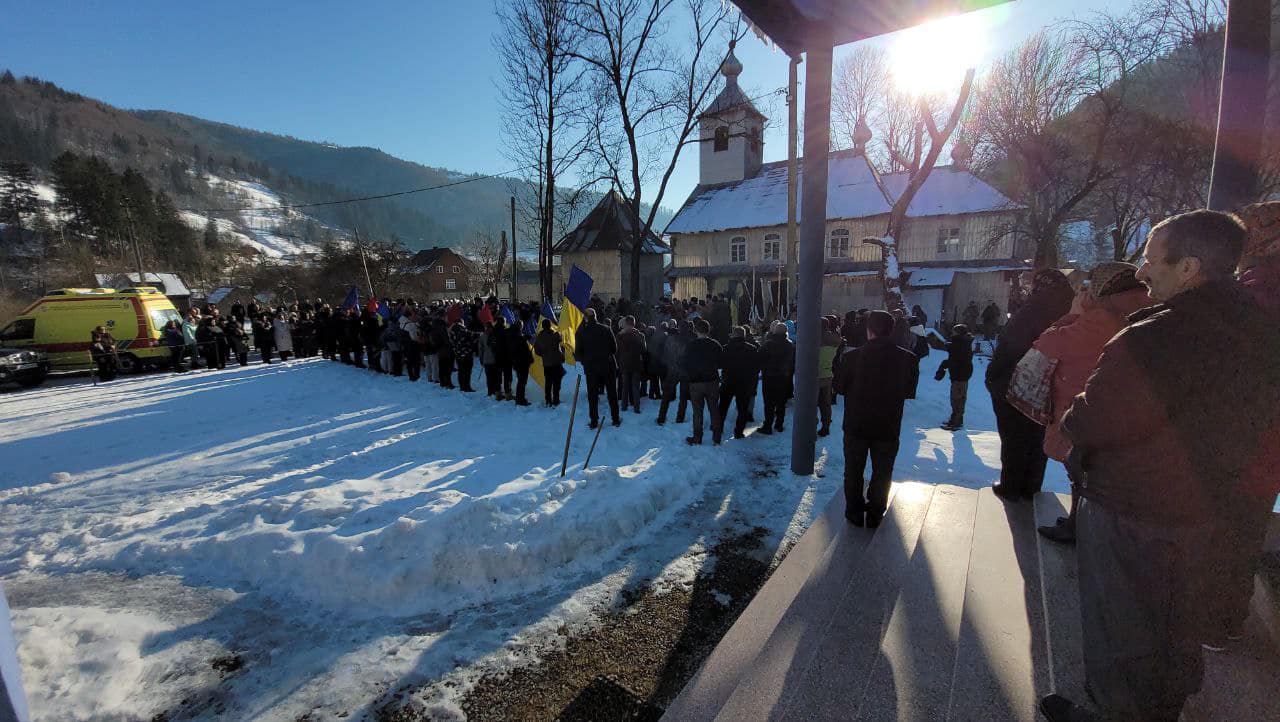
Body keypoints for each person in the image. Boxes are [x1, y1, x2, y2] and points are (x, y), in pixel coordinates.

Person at [1040, 210, 1280, 722]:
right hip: (1209, 503)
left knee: (1121, 627)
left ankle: (1116, 711)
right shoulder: (1259, 329)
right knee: (1175, 623)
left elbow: (1098, 416)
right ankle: (1162, 708)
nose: (1142, 272)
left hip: (1132, 507)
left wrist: (1074, 419)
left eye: (1151, 261)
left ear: (1189, 266)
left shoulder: (1157, 335)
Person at [1032, 263, 1155, 545]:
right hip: (1117, 407)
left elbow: (1048, 342)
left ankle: (1078, 526)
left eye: (1090, 286)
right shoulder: (1143, 309)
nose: (1084, 291)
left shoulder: (1103, 317)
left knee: (1081, 471)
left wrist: (1074, 314)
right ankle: (1079, 522)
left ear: (1105, 286)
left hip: (1084, 402)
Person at [985, 269, 1073, 502]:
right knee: (1036, 439)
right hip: (1051, 390)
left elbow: (1009, 349)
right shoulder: (1072, 312)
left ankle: (1011, 485)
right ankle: (1031, 487)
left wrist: (993, 378)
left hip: (1015, 387)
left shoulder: (1031, 311)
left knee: (1013, 438)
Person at [833, 310, 917, 528]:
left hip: (856, 425)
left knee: (853, 469)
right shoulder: (907, 358)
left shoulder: (852, 357)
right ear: (891, 330)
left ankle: (854, 511)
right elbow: (909, 391)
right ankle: (875, 512)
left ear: (868, 330)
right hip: (888, 426)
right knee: (882, 471)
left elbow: (839, 387)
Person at [575, 307, 620, 429]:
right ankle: (615, 419)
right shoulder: (606, 329)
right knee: (612, 393)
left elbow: (578, 353)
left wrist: (585, 360)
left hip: (591, 368)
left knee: (592, 395)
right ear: (595, 316)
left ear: (585, 318)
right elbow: (614, 348)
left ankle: (594, 420)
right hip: (608, 366)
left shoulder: (581, 332)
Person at [683, 318, 723, 445]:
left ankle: (697, 437)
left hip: (696, 382)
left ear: (696, 330)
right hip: (712, 380)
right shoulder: (715, 344)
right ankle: (717, 437)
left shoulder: (690, 345)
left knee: (697, 411)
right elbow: (721, 362)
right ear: (708, 330)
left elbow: (685, 363)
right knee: (714, 409)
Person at [931, 324, 975, 430]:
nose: (952, 333)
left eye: (954, 331)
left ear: (958, 333)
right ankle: (955, 420)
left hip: (960, 375)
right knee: (958, 398)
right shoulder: (961, 343)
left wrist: (945, 364)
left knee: (957, 399)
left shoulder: (960, 344)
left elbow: (957, 360)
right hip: (961, 374)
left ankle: (956, 422)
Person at [718, 326, 758, 439]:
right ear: (744, 336)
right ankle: (738, 432)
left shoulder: (725, 348)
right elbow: (755, 367)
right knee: (743, 409)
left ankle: (718, 428)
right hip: (744, 383)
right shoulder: (752, 349)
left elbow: (720, 363)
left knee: (723, 407)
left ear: (733, 335)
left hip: (728, 382)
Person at [757, 321, 795, 434]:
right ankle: (779, 424)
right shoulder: (790, 345)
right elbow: (792, 361)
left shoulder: (769, 344)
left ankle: (767, 425)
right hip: (783, 377)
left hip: (769, 376)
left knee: (769, 403)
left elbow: (760, 357)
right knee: (781, 402)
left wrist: (763, 368)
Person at [657, 321, 690, 425]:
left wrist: (669, 364)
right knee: (683, 397)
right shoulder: (690, 341)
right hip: (684, 371)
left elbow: (665, 354)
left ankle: (661, 417)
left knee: (666, 396)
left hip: (673, 370)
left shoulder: (671, 340)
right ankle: (680, 418)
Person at [616, 316, 647, 414]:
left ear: (626, 323)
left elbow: (617, 350)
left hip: (624, 363)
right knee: (635, 386)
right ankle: (636, 407)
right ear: (634, 323)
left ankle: (624, 406)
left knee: (625, 386)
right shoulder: (640, 335)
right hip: (636, 363)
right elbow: (644, 350)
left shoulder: (620, 336)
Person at [816, 318, 840, 437]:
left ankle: (810, 425)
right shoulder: (835, 339)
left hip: (814, 375)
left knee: (811, 403)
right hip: (828, 374)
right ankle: (826, 426)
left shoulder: (815, 339)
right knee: (825, 404)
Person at [533, 319, 566, 406]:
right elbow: (561, 341)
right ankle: (556, 400)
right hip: (557, 363)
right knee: (557, 382)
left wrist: (544, 355)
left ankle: (548, 400)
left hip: (547, 363)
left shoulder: (539, 337)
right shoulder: (555, 334)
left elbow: (537, 351)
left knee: (548, 383)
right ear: (550, 325)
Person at [505, 316, 533, 405]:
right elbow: (522, 346)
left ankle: (520, 398)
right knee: (522, 381)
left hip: (516, 361)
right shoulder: (518, 337)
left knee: (521, 381)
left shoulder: (511, 334)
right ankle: (520, 399)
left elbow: (520, 339)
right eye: (522, 326)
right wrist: (530, 359)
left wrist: (526, 337)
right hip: (522, 362)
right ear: (520, 326)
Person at [449, 314, 476, 392]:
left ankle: (462, 386)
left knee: (461, 371)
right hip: (466, 353)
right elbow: (472, 337)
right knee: (467, 371)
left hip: (457, 353)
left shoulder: (451, 331)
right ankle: (467, 386)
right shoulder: (463, 330)